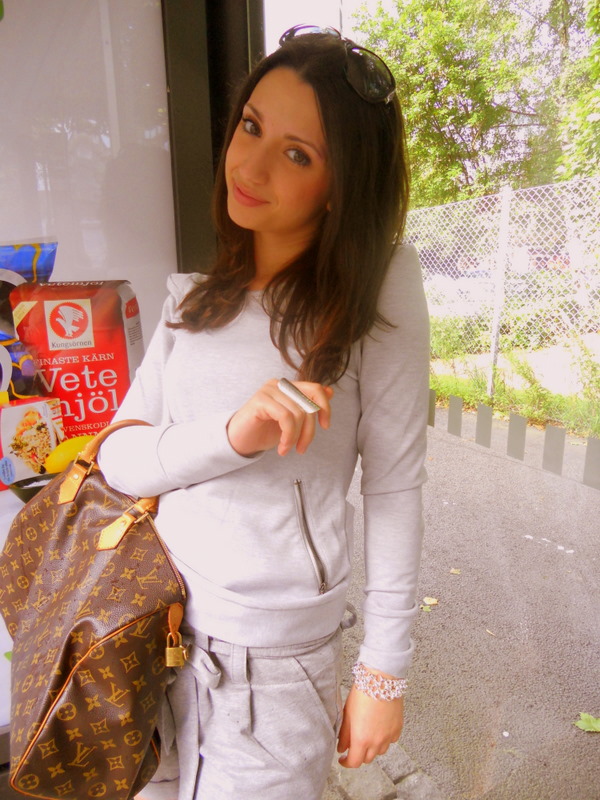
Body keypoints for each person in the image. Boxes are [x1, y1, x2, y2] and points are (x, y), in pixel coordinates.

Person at [99, 24, 429, 800]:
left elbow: (395, 486)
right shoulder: (191, 300)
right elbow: (118, 456)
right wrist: (231, 436)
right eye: (251, 126)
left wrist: (383, 672)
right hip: (148, 636)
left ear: (342, 183)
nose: (250, 165)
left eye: (297, 154)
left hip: (271, 668)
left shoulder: (377, 288)